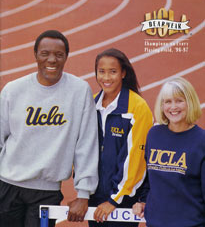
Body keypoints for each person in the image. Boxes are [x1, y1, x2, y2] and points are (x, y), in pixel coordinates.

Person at [0, 30, 99, 227]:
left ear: (66, 57)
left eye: (59, 54)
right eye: (45, 53)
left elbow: (86, 143)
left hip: (47, 192)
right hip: (7, 185)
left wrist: (83, 193)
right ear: (35, 54)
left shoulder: (79, 91)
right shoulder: (13, 90)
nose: (52, 60)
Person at [88, 48, 153, 227]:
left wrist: (114, 200)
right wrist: (83, 192)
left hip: (122, 200)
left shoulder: (137, 108)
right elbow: (83, 149)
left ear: (123, 73)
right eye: (101, 71)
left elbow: (135, 158)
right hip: (95, 198)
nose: (106, 78)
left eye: (113, 71)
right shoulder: (91, 104)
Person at [133, 77, 205, 226]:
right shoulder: (154, 134)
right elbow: (149, 178)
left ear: (190, 102)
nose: (173, 107)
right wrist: (143, 200)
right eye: (168, 102)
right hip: (155, 223)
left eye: (179, 101)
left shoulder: (201, 140)